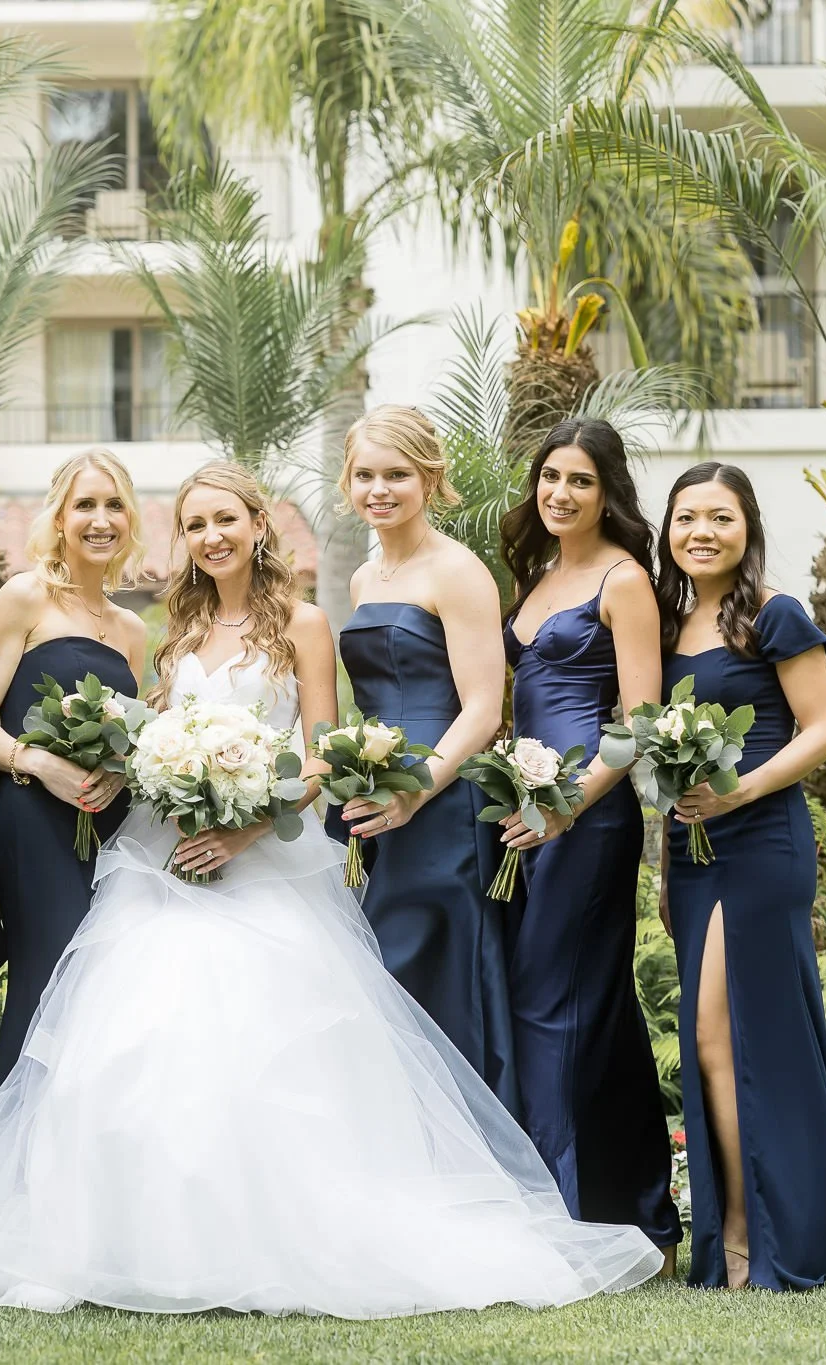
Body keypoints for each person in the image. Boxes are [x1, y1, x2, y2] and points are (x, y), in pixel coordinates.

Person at [0, 463, 663, 1317]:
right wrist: (176, 787)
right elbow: (151, 739)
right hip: (165, 857)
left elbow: (320, 750)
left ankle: (284, 1234)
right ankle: (134, 1233)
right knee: (135, 1037)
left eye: (226, 520)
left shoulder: (307, 623)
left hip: (266, 859)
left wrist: (247, 824)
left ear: (257, 525)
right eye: (196, 524)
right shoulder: (170, 633)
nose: (212, 537)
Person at [657, 462, 826, 1292]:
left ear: (747, 526)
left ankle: (748, 1236)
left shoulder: (775, 613)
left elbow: (822, 729)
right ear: (668, 530)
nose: (702, 532)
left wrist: (738, 790)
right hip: (690, 854)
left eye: (720, 517)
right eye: (687, 517)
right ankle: (752, 1227)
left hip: (761, 842)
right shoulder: (665, 624)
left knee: (728, 1035)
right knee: (715, 1042)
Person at [496, 418, 680, 1268]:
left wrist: (566, 803)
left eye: (579, 480)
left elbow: (641, 722)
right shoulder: (533, 576)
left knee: (552, 1004)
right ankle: (633, 1210)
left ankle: (561, 1222)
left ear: (607, 491)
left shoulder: (623, 579)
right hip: (522, 816)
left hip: (587, 817)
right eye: (550, 478)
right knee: (582, 1011)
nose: (560, 493)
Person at [333, 406, 514, 1107]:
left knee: (435, 973)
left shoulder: (458, 570)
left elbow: (483, 709)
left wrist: (416, 789)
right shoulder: (362, 578)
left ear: (430, 479)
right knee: (383, 978)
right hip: (376, 799)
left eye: (397, 474)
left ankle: (467, 1154)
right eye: (366, 474)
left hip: (442, 802)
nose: (380, 488)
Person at [0, 449, 148, 1089]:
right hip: (35, 818)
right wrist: (38, 763)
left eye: (114, 505)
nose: (101, 520)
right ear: (60, 518)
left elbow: (133, 739)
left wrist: (122, 772)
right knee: (49, 973)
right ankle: (8, 1151)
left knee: (105, 984)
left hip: (112, 826)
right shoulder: (26, 597)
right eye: (85, 505)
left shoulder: (131, 628)